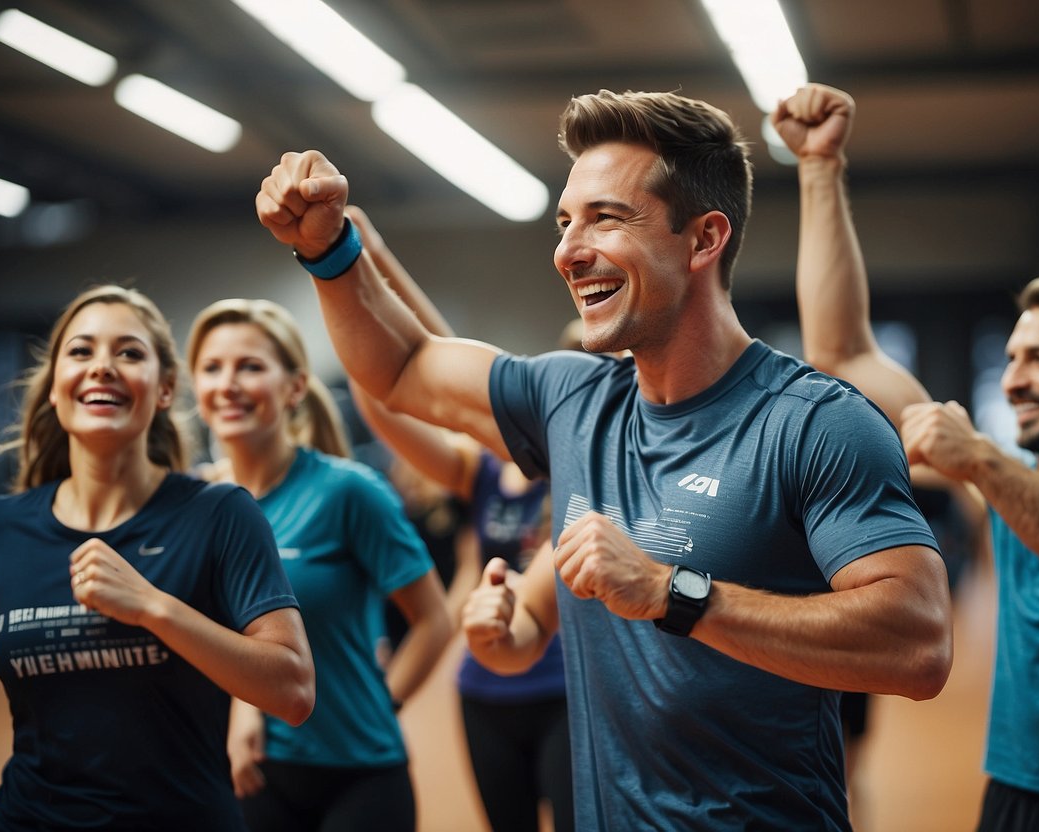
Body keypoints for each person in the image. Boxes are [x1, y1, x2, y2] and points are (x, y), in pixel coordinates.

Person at [255, 82, 954, 830]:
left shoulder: (813, 422)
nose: (567, 250)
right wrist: (330, 253)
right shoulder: (573, 397)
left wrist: (673, 593)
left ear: (703, 239)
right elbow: (401, 366)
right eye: (564, 222)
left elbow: (917, 645)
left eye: (605, 218)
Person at [777, 85, 1039, 830]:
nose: (1013, 379)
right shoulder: (1007, 487)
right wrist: (819, 167)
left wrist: (980, 461)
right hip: (1015, 794)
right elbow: (844, 352)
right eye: (1012, 358)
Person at [0, 285, 315, 831]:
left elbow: (292, 691)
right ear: (56, 387)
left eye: (128, 352)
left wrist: (153, 607)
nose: (102, 366)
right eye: (81, 352)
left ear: (166, 388)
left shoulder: (219, 514)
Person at [342, 206, 573, 832]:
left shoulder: (593, 473)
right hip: (485, 688)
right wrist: (367, 260)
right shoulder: (486, 467)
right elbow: (428, 363)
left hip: (568, 689)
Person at [186, 297, 452, 832]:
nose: (228, 383)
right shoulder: (195, 504)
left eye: (250, 366)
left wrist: (385, 702)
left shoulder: (347, 491)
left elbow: (434, 621)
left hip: (359, 772)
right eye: (212, 368)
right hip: (249, 771)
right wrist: (241, 711)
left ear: (295, 387)